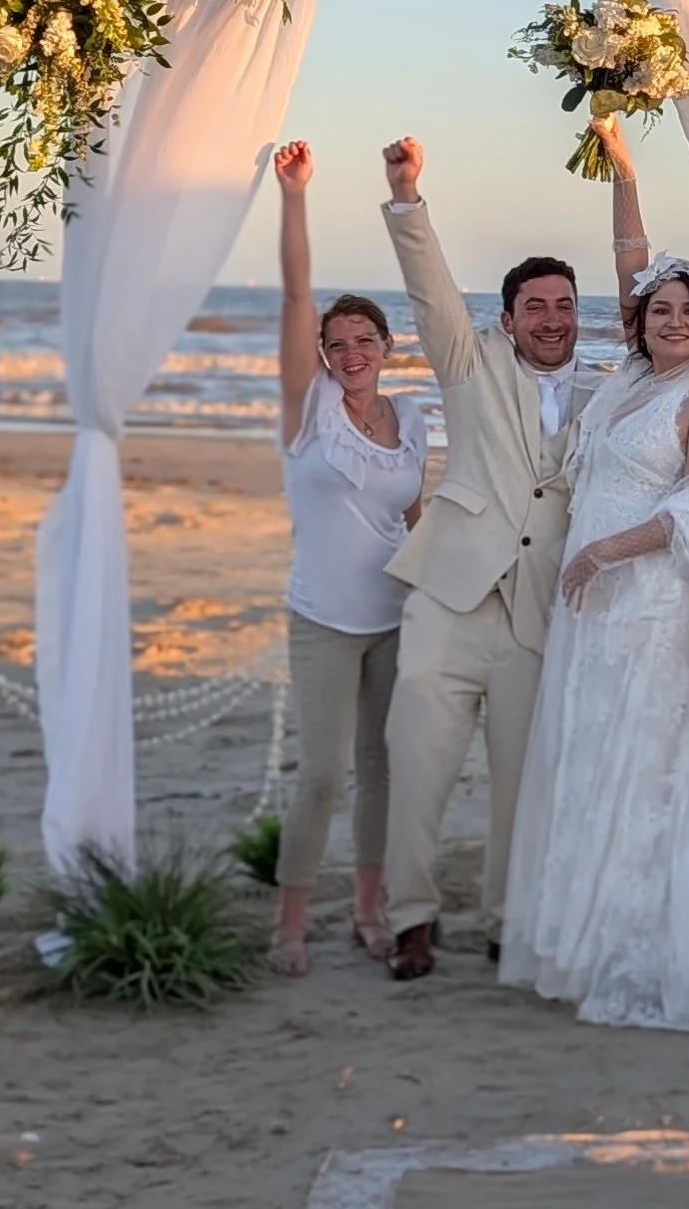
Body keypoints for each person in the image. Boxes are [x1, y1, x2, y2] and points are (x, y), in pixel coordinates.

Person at [499, 117, 689, 1032]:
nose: (668, 320)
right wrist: (622, 165)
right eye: (658, 310)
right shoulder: (627, 378)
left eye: (685, 313)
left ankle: (632, 937)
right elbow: (632, 256)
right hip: (591, 599)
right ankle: (572, 939)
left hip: (645, 596)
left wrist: (602, 551)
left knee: (635, 761)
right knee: (582, 751)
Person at [378, 135, 602, 980]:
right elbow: (430, 290)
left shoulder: (607, 393)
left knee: (522, 781)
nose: (552, 319)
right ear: (507, 319)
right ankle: (410, 920)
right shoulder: (471, 365)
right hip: (449, 597)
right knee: (419, 768)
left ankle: (508, 922)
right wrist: (406, 198)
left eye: (564, 306)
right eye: (535, 306)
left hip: (539, 611)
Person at [270, 140, 428, 976]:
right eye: (338, 344)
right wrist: (296, 196)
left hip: (394, 619)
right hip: (324, 621)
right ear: (325, 355)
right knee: (324, 773)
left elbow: (411, 513)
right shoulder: (308, 413)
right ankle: (290, 922)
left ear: (387, 346)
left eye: (365, 339)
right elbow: (297, 293)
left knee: (386, 770)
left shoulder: (412, 419)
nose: (351, 352)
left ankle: (369, 912)